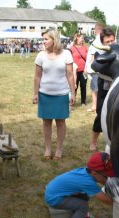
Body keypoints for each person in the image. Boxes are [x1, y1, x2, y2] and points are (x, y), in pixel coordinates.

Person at [44, 152, 115, 218]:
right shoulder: (87, 182)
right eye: (106, 176)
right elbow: (107, 201)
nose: (107, 178)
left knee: (84, 195)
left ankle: (80, 215)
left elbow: (101, 180)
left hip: (54, 191)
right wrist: (118, 201)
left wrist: (106, 181)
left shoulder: (86, 171)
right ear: (94, 173)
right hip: (54, 198)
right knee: (83, 206)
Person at [32, 27, 75, 160]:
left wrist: (73, 93)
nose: (43, 41)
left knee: (61, 122)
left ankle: (59, 149)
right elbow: (37, 76)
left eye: (46, 39)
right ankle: (48, 148)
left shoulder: (66, 54)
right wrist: (35, 93)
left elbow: (70, 75)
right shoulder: (40, 55)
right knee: (46, 122)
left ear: (54, 39)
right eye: (43, 39)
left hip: (61, 94)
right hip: (45, 94)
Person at [89, 28, 116, 151]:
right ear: (102, 43)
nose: (110, 44)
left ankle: (114, 142)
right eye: (107, 42)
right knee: (101, 115)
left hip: (118, 89)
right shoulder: (99, 54)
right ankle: (93, 141)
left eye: (112, 41)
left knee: (116, 117)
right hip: (104, 90)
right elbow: (96, 67)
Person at [85, 22, 105, 113]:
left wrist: (89, 67)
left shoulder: (98, 41)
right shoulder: (100, 40)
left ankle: (95, 106)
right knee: (96, 88)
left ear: (97, 30)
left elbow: (92, 56)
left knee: (95, 89)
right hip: (98, 69)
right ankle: (95, 106)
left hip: (95, 69)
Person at [70, 32, 88, 107]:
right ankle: (72, 100)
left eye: (83, 38)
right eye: (81, 37)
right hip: (75, 71)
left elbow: (88, 59)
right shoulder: (72, 48)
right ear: (77, 37)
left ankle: (83, 102)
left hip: (84, 70)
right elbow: (69, 59)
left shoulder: (85, 47)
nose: (82, 39)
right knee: (74, 86)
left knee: (83, 86)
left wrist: (87, 68)